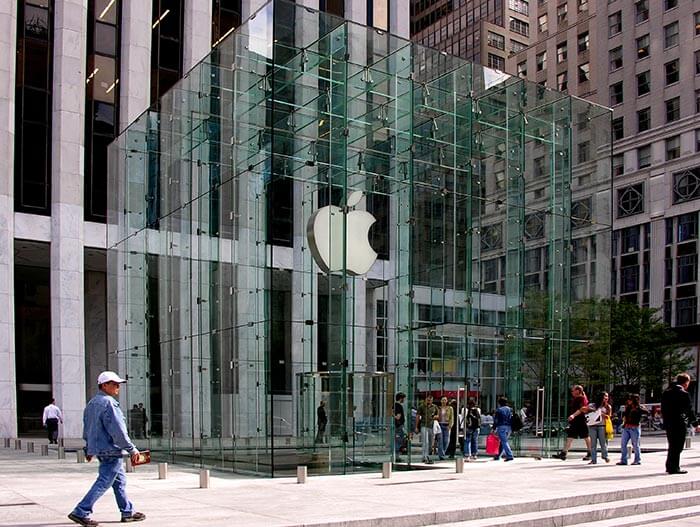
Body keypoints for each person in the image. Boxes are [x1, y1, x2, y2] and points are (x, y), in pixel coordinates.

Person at [68, 371, 145, 526]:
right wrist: (132, 449)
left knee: (119, 481)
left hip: (101, 449)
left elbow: (88, 428)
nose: (118, 387)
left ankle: (127, 512)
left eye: (119, 384)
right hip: (112, 450)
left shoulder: (91, 404)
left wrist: (89, 449)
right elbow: (118, 431)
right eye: (114, 384)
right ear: (104, 385)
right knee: (104, 482)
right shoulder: (109, 404)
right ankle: (81, 511)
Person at [661, 373, 700, 474]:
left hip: (669, 423)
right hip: (679, 423)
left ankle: (670, 466)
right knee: (678, 446)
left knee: (672, 445)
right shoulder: (684, 394)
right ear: (686, 383)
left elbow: (663, 409)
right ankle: (674, 467)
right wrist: (695, 424)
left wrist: (665, 421)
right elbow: (689, 410)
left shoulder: (667, 392)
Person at [554, 385, 592, 461]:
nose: (572, 392)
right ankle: (564, 453)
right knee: (570, 436)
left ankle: (590, 452)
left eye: (573, 390)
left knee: (586, 437)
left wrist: (573, 415)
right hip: (575, 421)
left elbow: (581, 409)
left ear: (578, 391)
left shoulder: (581, 399)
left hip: (580, 420)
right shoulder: (578, 398)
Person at [617, 393, 648, 466]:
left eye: (630, 400)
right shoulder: (628, 407)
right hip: (627, 427)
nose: (628, 401)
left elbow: (646, 412)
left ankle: (637, 460)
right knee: (623, 443)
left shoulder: (638, 408)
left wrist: (641, 418)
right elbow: (624, 415)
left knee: (635, 444)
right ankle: (623, 460)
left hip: (634, 427)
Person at [586, 391, 611, 464]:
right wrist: (594, 410)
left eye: (607, 396)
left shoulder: (607, 406)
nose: (606, 398)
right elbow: (586, 411)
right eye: (605, 396)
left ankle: (605, 456)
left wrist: (603, 415)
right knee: (593, 443)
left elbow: (609, 416)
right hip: (592, 426)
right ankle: (593, 459)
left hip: (602, 426)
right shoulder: (592, 405)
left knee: (603, 442)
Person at [416, 394, 438, 464]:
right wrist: (416, 427)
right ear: (426, 399)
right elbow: (417, 416)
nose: (429, 401)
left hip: (431, 426)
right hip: (424, 425)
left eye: (430, 400)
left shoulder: (434, 407)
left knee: (430, 442)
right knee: (425, 442)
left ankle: (427, 455)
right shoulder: (421, 407)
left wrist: (435, 417)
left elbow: (438, 415)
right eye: (428, 400)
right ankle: (424, 456)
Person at [492, 397, 514, 461]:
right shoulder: (510, 409)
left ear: (499, 403)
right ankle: (498, 455)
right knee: (503, 441)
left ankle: (510, 455)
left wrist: (493, 428)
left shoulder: (499, 410)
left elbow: (496, 420)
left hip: (501, 427)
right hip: (509, 427)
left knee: (504, 441)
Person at [436, 396, 454, 460]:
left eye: (445, 400)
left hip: (447, 425)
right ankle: (441, 455)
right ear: (440, 401)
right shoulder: (438, 408)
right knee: (440, 440)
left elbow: (452, 417)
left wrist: (450, 425)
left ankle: (442, 452)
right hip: (440, 425)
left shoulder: (450, 408)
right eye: (443, 400)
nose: (444, 401)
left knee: (446, 441)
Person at [393, 392, 406, 462]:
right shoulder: (399, 406)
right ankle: (397, 456)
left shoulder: (394, 405)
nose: (404, 400)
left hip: (396, 425)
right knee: (399, 441)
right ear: (401, 398)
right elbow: (398, 417)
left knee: (397, 440)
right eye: (403, 398)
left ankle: (396, 455)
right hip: (399, 426)